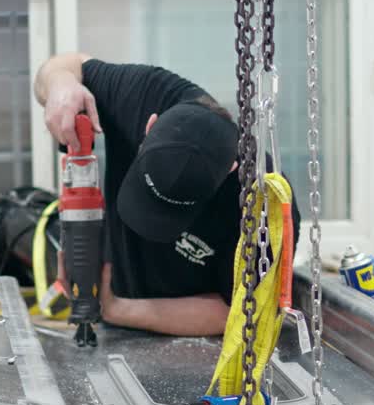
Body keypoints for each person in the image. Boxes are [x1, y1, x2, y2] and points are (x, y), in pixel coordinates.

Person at [35, 53, 300, 337]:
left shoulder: (263, 205)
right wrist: (60, 84)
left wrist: (114, 308)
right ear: (149, 126)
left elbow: (236, 314)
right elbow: (65, 65)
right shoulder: (146, 94)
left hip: (192, 341)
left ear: (229, 171)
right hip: (112, 316)